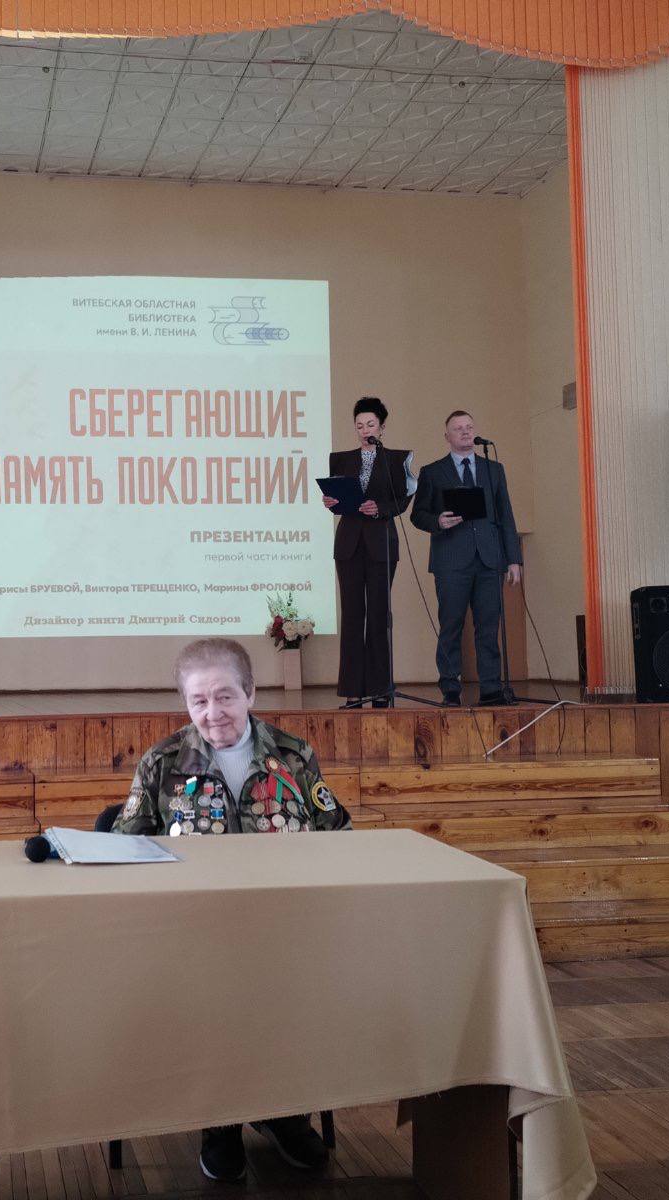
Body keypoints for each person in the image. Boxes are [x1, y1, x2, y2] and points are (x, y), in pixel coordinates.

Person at [111, 637, 349, 1182]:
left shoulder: (293, 754)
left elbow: (338, 833)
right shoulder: (163, 762)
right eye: (199, 700)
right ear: (186, 703)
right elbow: (126, 846)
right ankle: (219, 1123)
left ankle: (284, 1114)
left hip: (286, 928)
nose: (213, 712)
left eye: (225, 696)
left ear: (250, 693)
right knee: (210, 998)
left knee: (292, 998)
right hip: (197, 933)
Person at [409, 410, 523, 706]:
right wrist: (438, 521)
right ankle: (450, 688)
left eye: (469, 427)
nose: (465, 432)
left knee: (488, 626)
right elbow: (417, 514)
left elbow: (506, 515)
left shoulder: (493, 469)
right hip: (451, 560)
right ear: (447, 436)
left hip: (489, 559)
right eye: (458, 428)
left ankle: (491, 688)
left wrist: (513, 559)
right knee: (451, 626)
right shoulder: (433, 472)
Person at [324, 397, 415, 708]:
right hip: (348, 544)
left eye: (370, 424)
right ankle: (353, 690)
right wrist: (332, 502)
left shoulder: (395, 459)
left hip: (381, 544)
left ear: (382, 427)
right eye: (359, 425)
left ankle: (380, 690)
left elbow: (402, 500)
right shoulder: (341, 459)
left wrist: (380, 508)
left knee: (378, 615)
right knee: (352, 615)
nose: (365, 430)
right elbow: (338, 499)